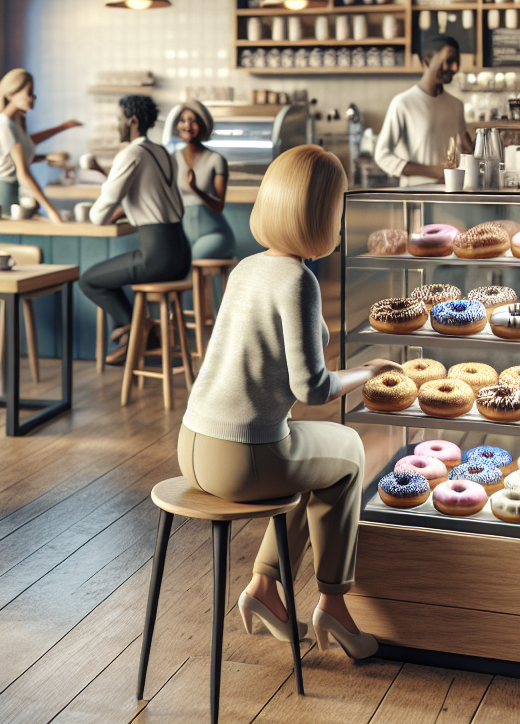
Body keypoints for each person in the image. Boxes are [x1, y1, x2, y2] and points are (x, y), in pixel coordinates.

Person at [180, 145, 400, 659]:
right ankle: (334, 607)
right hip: (241, 457)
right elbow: (313, 390)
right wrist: (369, 371)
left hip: (193, 443)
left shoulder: (247, 268)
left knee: (313, 465)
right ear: (323, 213)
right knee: (346, 455)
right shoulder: (299, 280)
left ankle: (265, 589)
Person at [81, 94, 190, 365]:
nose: (117, 125)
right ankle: (140, 332)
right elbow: (149, 196)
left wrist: (102, 212)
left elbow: (98, 214)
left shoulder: (131, 153)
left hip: (158, 256)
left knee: (89, 280)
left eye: (119, 119)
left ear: (132, 120)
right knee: (100, 278)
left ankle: (143, 330)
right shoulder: (162, 151)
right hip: (181, 253)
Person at [0, 68, 81, 223]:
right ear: (11, 93)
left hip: (10, 190)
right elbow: (23, 173)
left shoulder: (14, 123)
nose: (33, 98)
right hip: (0, 192)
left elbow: (25, 145)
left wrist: (61, 129)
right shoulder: (5, 126)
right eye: (29, 92)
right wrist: (50, 209)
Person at [374, 34, 471, 185]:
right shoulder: (403, 103)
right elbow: (382, 156)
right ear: (427, 61)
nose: (455, 68)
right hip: (416, 197)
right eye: (449, 61)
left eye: (457, 62)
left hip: (450, 195)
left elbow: (466, 148)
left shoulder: (456, 105)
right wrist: (435, 171)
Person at [161, 100, 235, 259]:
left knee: (194, 259)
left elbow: (218, 206)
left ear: (203, 124)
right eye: (182, 120)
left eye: (193, 120)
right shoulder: (173, 159)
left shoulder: (216, 159)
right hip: (185, 235)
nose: (187, 125)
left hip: (215, 236)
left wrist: (195, 189)